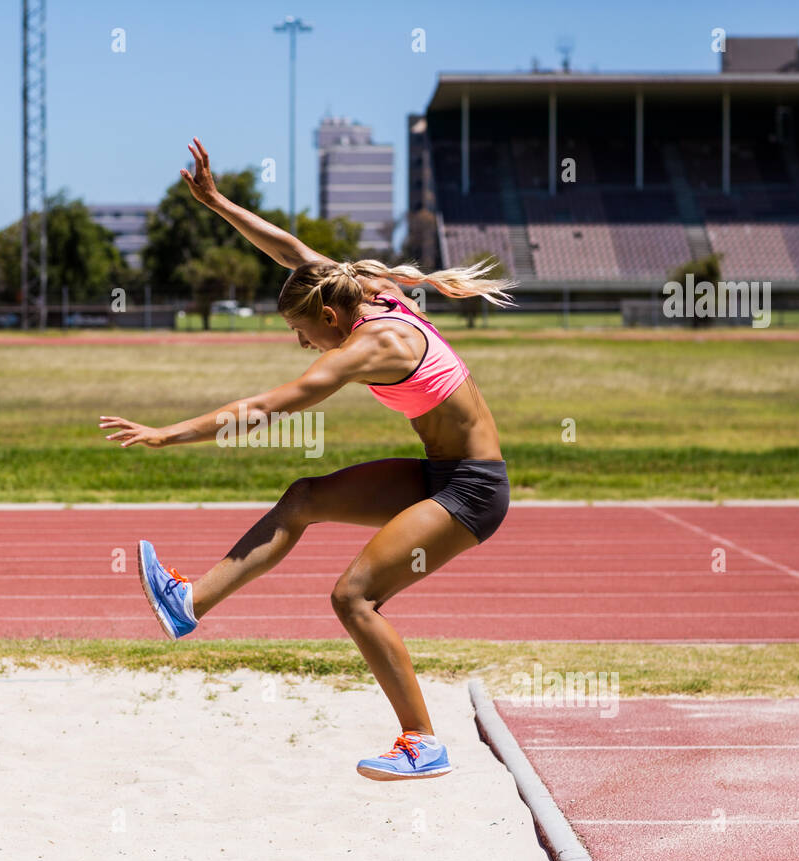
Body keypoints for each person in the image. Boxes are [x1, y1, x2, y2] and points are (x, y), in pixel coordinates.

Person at [100, 139, 515, 780]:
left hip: (472, 490)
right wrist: (216, 202)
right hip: (441, 472)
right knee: (304, 497)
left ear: (328, 317)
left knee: (354, 597)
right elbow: (290, 252)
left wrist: (166, 434)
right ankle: (187, 605)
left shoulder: (369, 345)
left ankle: (421, 740)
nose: (301, 344)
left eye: (303, 333)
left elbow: (270, 404)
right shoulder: (363, 290)